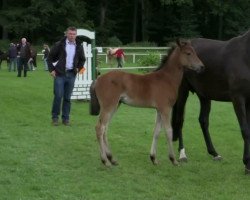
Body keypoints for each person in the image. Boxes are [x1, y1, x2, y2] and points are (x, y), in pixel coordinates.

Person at [47, 27, 86, 126]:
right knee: (58, 96)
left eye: (73, 34)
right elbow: (50, 57)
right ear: (66, 34)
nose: (72, 36)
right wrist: (51, 70)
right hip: (60, 74)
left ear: (76, 35)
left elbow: (82, 59)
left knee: (68, 98)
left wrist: (79, 68)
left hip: (71, 74)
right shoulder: (59, 44)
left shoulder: (79, 46)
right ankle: (55, 118)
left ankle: (66, 118)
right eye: (70, 34)